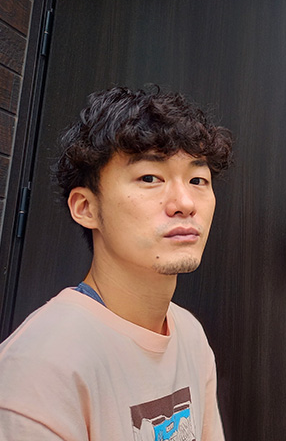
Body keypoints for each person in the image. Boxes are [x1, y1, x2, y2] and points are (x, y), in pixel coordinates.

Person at [0, 86, 232, 440]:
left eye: (197, 180)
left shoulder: (190, 334)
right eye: (150, 178)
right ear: (86, 208)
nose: (185, 203)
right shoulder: (39, 369)